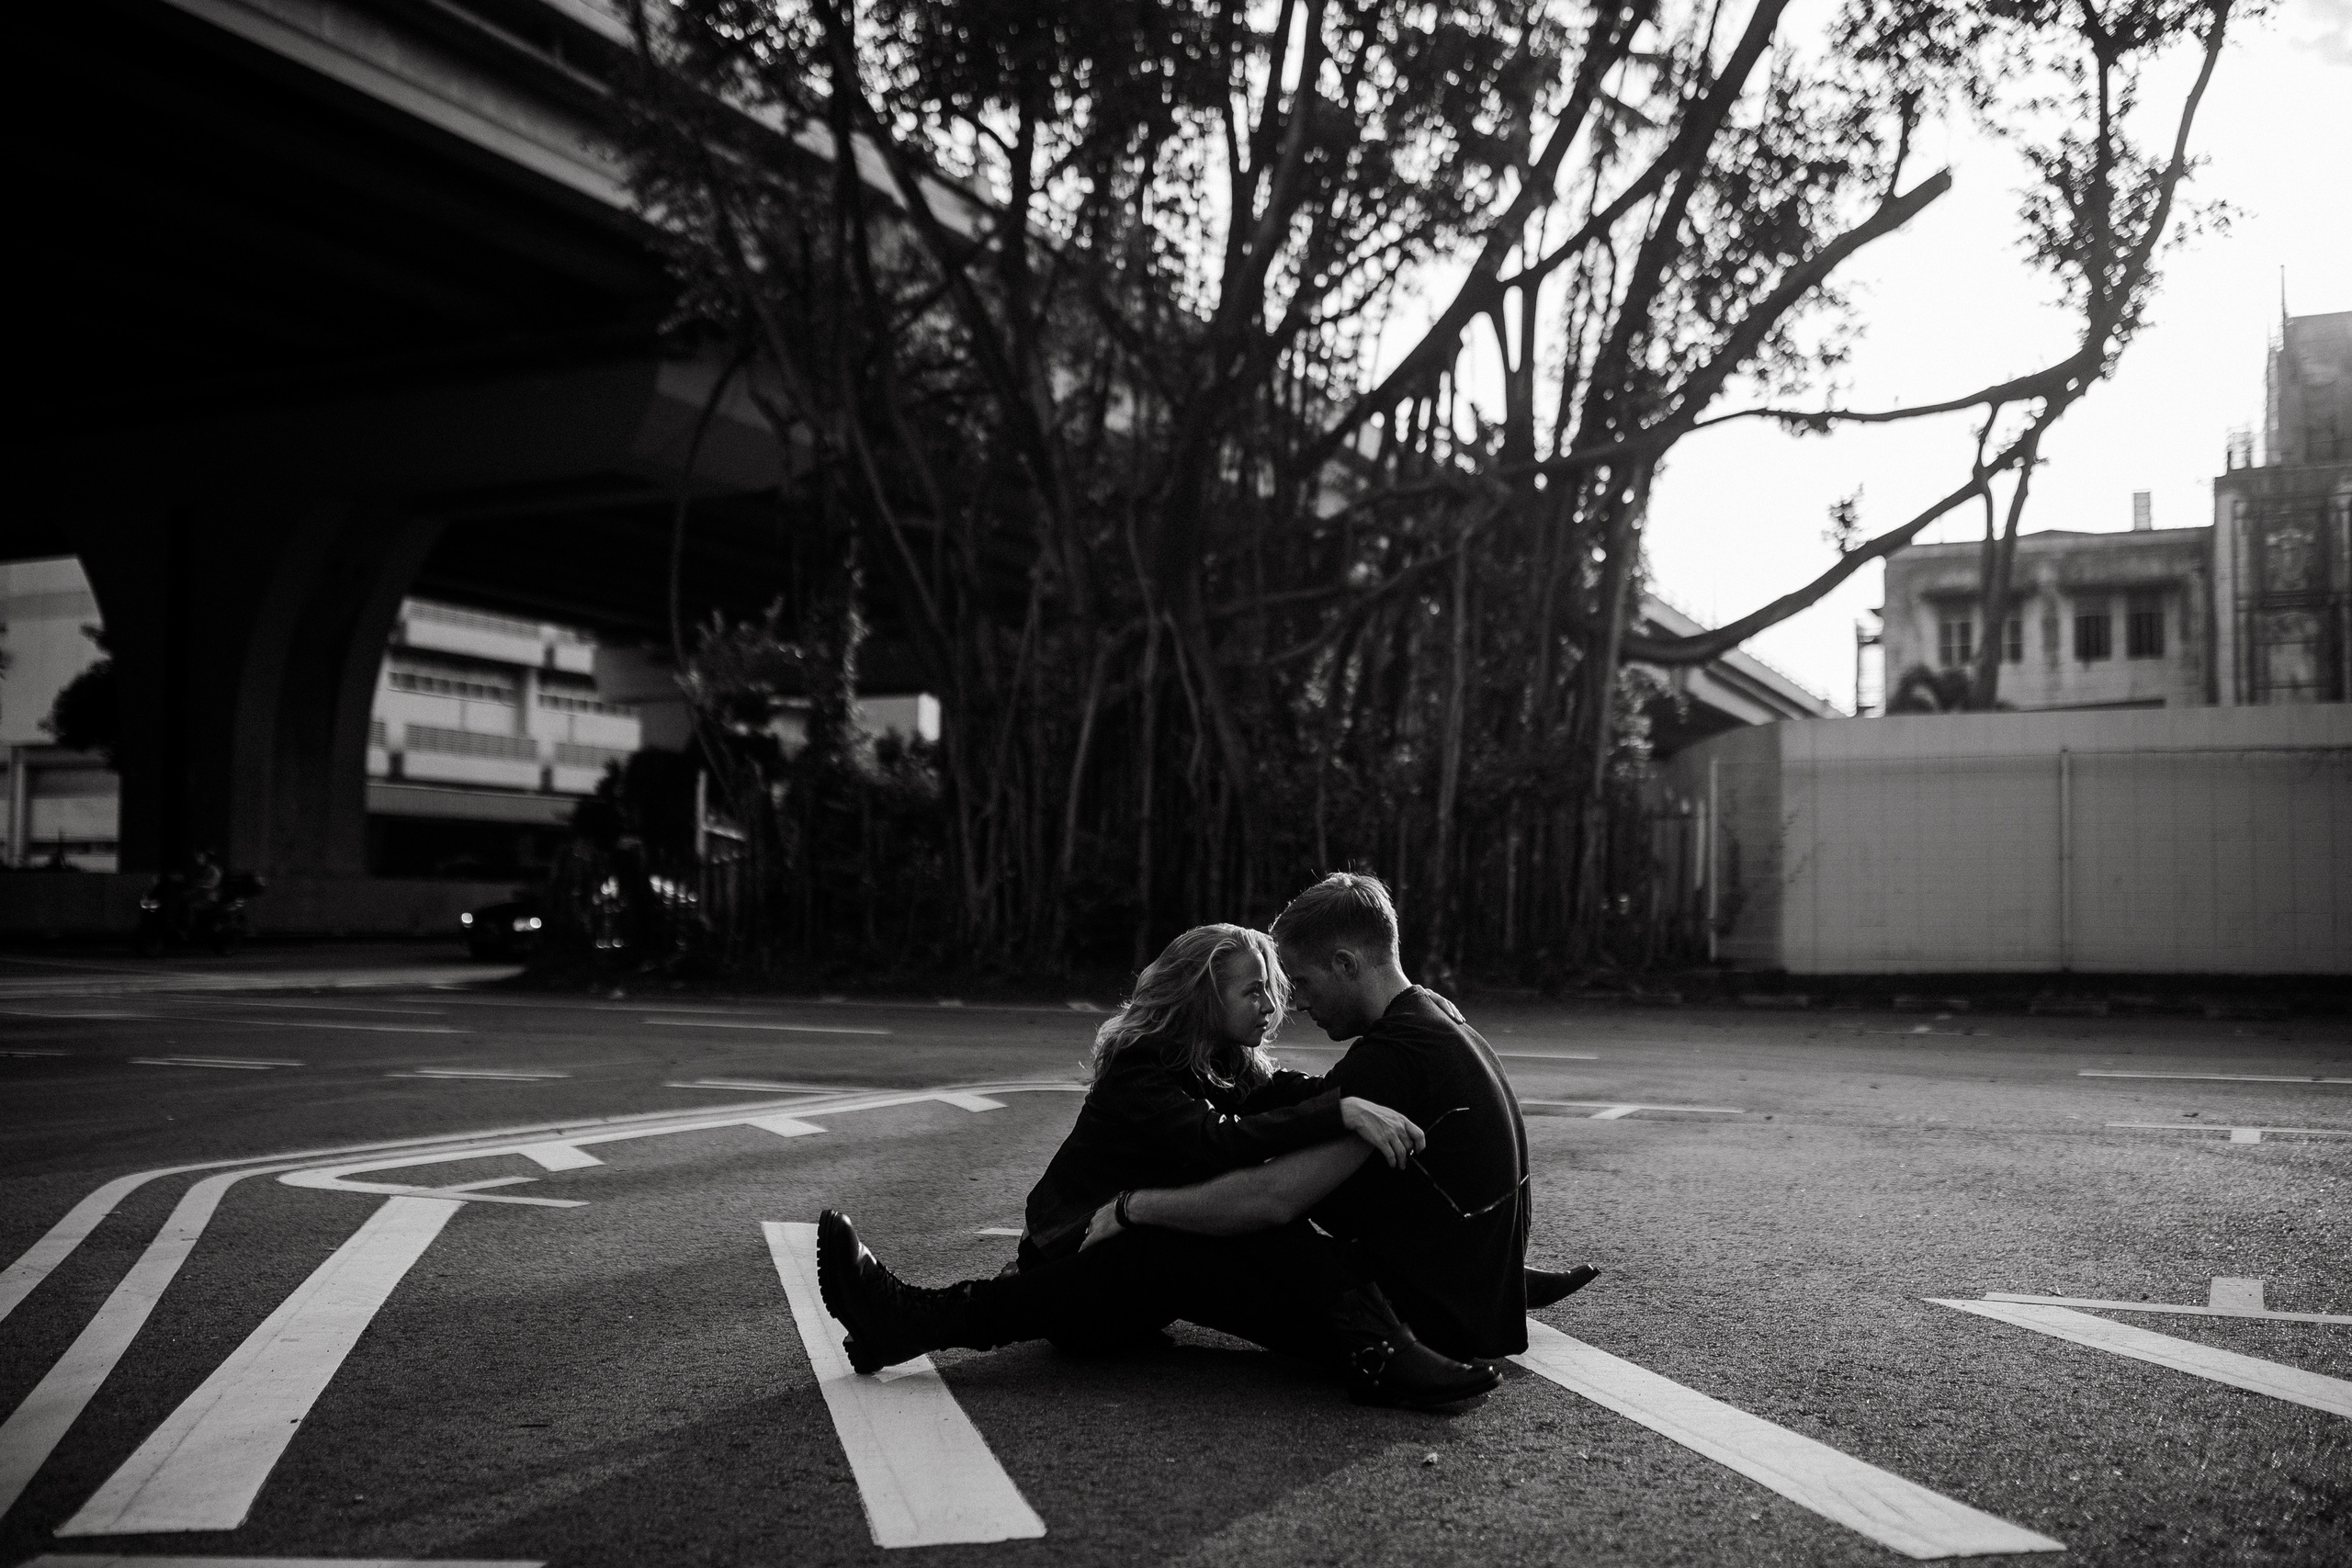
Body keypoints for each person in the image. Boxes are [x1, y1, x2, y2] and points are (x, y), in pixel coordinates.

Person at [819, 921, 1501, 1407]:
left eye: (1273, 991)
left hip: (1137, 1281)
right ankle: (908, 1316)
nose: (1272, 1006)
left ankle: (1380, 1347)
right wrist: (1341, 1113)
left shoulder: (1233, 1067)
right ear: (1203, 998)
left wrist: (1408, 1073)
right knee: (1251, 1220)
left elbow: (1306, 1097)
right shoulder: (1140, 1076)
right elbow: (1217, 1141)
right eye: (1254, 992)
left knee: (1249, 1222)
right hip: (1076, 1265)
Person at [1083, 872, 1551, 1361]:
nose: (1298, 1004)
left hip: (1430, 1322)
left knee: (1196, 1237)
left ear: (1345, 964)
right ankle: (1506, 1275)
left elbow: (1270, 1200)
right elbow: (1308, 1111)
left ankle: (1043, 1292)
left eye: (1302, 983)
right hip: (1473, 1294)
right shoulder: (1436, 1015)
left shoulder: (1391, 1056)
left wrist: (1132, 1207)